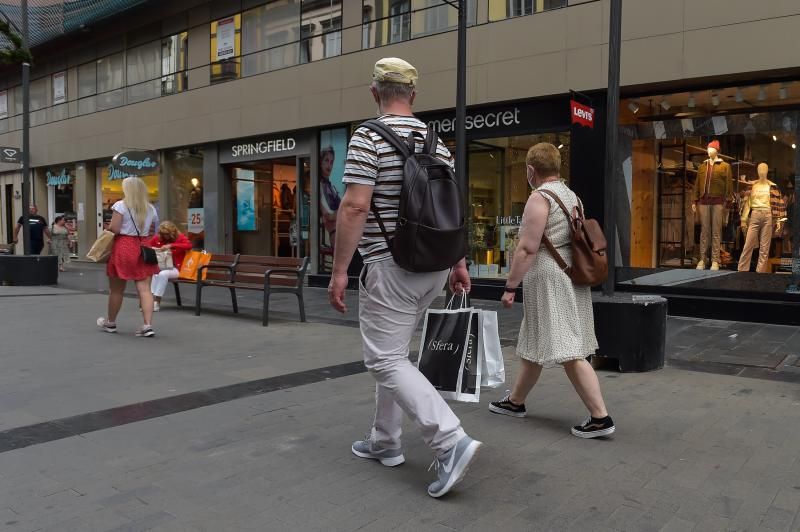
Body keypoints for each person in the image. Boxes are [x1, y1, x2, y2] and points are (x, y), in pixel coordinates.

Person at [327, 57, 481, 499]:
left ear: (375, 93)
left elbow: (355, 206)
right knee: (396, 355)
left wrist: (340, 270)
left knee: (384, 360)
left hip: (391, 267)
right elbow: (450, 210)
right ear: (412, 95)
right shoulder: (438, 142)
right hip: (433, 267)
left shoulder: (367, 137)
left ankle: (450, 440)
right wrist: (458, 263)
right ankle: (384, 441)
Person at [489, 142, 615, 439]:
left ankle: (600, 417)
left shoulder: (539, 197)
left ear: (531, 170)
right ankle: (515, 402)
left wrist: (510, 286)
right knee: (535, 340)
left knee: (568, 348)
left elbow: (526, 248)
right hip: (570, 274)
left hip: (549, 277)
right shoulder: (572, 196)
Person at [97, 177, 159, 337]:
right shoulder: (151, 208)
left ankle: (110, 322)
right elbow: (154, 230)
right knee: (145, 289)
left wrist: (108, 228)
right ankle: (147, 325)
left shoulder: (120, 205)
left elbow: (115, 228)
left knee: (117, 290)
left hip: (124, 246)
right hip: (144, 246)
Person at [146, 221, 192, 311]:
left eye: (167, 234)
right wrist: (153, 249)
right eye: (163, 234)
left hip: (178, 268)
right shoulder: (158, 238)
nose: (165, 236)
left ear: (172, 233)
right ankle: (150, 300)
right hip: (163, 265)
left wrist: (171, 245)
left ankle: (157, 302)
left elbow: (188, 245)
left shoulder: (180, 237)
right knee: (156, 273)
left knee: (163, 274)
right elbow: (147, 245)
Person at [319, 145, 341, 249]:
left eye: (331, 162)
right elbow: (329, 215)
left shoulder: (330, 186)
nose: (329, 165)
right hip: (333, 232)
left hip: (339, 231)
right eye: (326, 160)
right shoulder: (319, 185)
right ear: (320, 162)